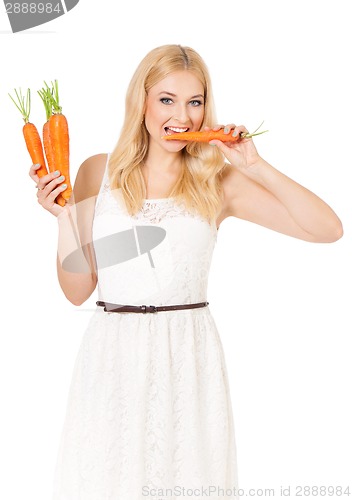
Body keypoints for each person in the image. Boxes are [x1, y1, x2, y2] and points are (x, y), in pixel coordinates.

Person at [29, 44, 343, 500]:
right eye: (167, 99)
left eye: (195, 102)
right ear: (142, 102)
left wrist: (255, 165)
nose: (184, 115)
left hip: (189, 355)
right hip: (113, 356)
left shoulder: (218, 182)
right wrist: (61, 219)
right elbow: (77, 290)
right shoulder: (98, 172)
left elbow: (328, 229)